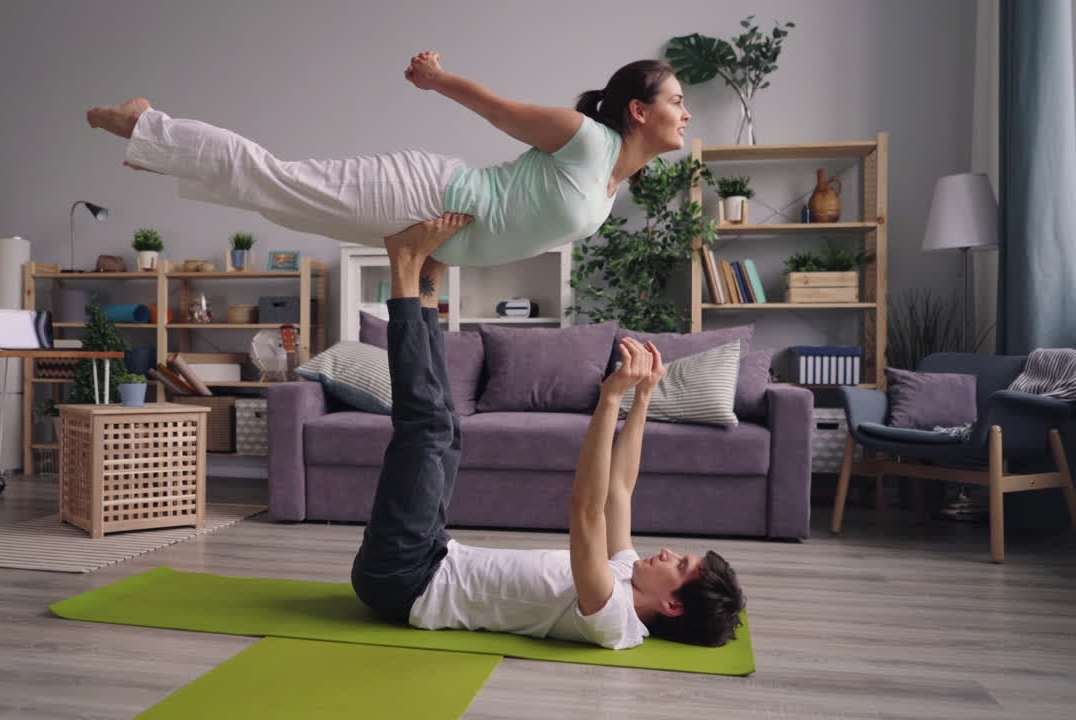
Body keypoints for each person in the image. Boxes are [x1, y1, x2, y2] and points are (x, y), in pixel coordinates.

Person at [352, 213, 744, 650]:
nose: (670, 554)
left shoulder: (613, 617)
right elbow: (619, 490)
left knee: (427, 429)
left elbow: (586, 510)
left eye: (680, 566)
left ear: (672, 606)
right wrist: (643, 398)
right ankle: (427, 285)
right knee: (446, 430)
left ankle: (403, 262)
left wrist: (610, 399)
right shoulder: (625, 575)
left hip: (403, 579)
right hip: (433, 553)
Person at [86, 53, 689, 268]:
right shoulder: (587, 140)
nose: (686, 114)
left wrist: (436, 262)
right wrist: (436, 78)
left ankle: (160, 149)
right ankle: (143, 126)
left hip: (430, 232)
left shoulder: (610, 189)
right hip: (426, 193)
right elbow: (497, 110)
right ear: (638, 110)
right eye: (678, 101)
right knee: (277, 183)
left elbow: (512, 228)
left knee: (278, 202)